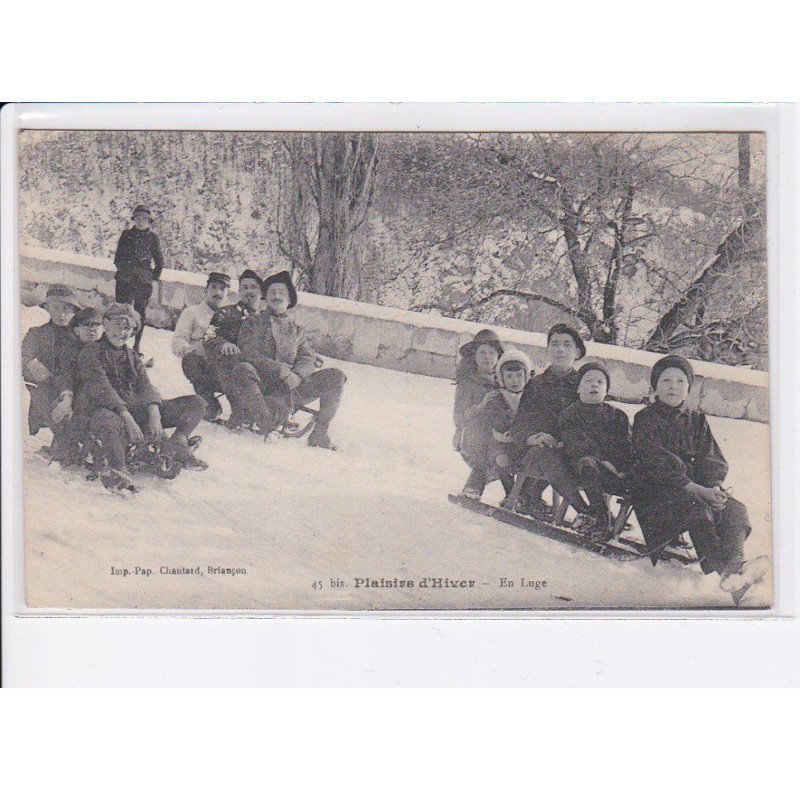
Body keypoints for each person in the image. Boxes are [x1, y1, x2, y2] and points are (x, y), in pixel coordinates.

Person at [631, 355, 767, 598]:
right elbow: (654, 462)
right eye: (666, 380)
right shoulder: (645, 418)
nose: (673, 386)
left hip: (697, 487)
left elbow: (710, 456)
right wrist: (696, 489)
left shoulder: (696, 418)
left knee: (735, 510)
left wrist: (714, 487)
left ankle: (735, 569)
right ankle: (729, 572)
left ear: (688, 388)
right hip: (656, 488)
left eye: (680, 381)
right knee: (698, 510)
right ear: (655, 386)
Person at [78, 303, 207, 491]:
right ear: (105, 324)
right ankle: (118, 468)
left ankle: (176, 443)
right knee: (106, 420)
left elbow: (145, 385)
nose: (122, 332)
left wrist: (155, 414)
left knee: (196, 403)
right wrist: (129, 419)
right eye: (117, 325)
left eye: (128, 328)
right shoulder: (91, 352)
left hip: (135, 409)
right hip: (108, 411)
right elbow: (102, 389)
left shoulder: (131, 356)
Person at [230, 271, 347, 449]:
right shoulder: (253, 322)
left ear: (289, 298)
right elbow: (248, 353)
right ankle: (266, 422)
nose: (277, 296)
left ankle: (320, 433)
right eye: (272, 292)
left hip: (291, 388)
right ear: (265, 297)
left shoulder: (296, 329)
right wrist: (280, 370)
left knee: (336, 376)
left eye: (281, 293)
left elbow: (307, 356)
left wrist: (298, 375)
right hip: (262, 387)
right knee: (243, 368)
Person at [508, 323, 587, 520]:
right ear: (548, 350)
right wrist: (533, 438)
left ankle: (595, 511)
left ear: (577, 352)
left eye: (567, 345)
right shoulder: (536, 385)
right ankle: (586, 512)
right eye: (555, 344)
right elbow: (521, 424)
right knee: (545, 453)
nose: (560, 349)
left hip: (571, 450)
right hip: (536, 451)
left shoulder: (586, 384)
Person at [557, 362, 632, 540]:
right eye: (588, 381)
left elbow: (627, 445)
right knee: (588, 463)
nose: (594, 385)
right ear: (578, 388)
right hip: (578, 469)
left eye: (600, 382)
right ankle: (601, 519)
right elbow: (575, 442)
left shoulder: (618, 416)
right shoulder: (570, 414)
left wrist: (621, 467)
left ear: (606, 390)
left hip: (611, 471)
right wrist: (601, 459)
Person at [457, 348, 531, 500]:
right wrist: (504, 428)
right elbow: (493, 417)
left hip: (523, 441)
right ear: (502, 379)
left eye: (519, 376)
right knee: (500, 458)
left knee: (533, 461)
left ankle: (527, 497)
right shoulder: (496, 397)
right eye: (509, 377)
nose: (515, 381)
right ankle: (511, 495)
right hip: (500, 440)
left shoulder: (530, 397)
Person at [21, 285, 84, 459]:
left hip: (73, 389)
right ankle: (63, 445)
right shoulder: (37, 334)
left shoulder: (80, 336)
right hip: (44, 389)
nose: (61, 313)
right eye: (56, 307)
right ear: (47, 308)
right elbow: (22, 356)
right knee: (59, 413)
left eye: (67, 308)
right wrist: (31, 363)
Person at [203, 269, 263, 424]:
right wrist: (224, 343)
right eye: (244, 287)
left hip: (260, 368)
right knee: (231, 360)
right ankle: (239, 411)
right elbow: (209, 337)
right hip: (230, 368)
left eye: (253, 287)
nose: (248, 291)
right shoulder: (225, 313)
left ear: (261, 292)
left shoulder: (266, 319)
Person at [172, 272, 231, 420]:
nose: (218, 293)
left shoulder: (231, 316)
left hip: (222, 366)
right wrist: (188, 349)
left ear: (228, 293)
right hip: (200, 364)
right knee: (191, 361)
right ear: (206, 290)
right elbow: (178, 340)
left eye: (222, 289)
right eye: (214, 287)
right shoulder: (192, 312)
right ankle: (209, 404)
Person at [113, 204, 164, 353]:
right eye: (138, 218)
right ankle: (117, 342)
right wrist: (125, 270)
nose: (140, 221)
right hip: (124, 280)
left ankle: (136, 345)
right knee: (121, 311)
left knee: (140, 314)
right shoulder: (126, 235)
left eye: (144, 219)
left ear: (149, 221)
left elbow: (160, 262)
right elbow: (117, 258)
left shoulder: (153, 238)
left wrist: (151, 277)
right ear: (133, 219)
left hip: (143, 282)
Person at [452, 329, 504, 456]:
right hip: (473, 438)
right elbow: (458, 418)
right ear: (474, 356)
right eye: (482, 352)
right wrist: (480, 407)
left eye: (492, 352)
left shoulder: (505, 382)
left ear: (498, 357)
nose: (487, 357)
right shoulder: (467, 384)